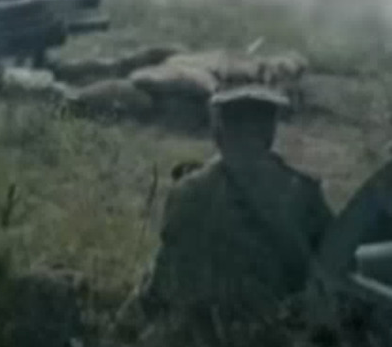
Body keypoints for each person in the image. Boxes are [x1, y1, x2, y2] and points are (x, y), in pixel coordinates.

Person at [126, 85, 333, 347]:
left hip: (192, 335)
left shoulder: (186, 190)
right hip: (271, 335)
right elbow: (334, 266)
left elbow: (164, 277)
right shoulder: (302, 192)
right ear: (269, 132)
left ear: (219, 132)